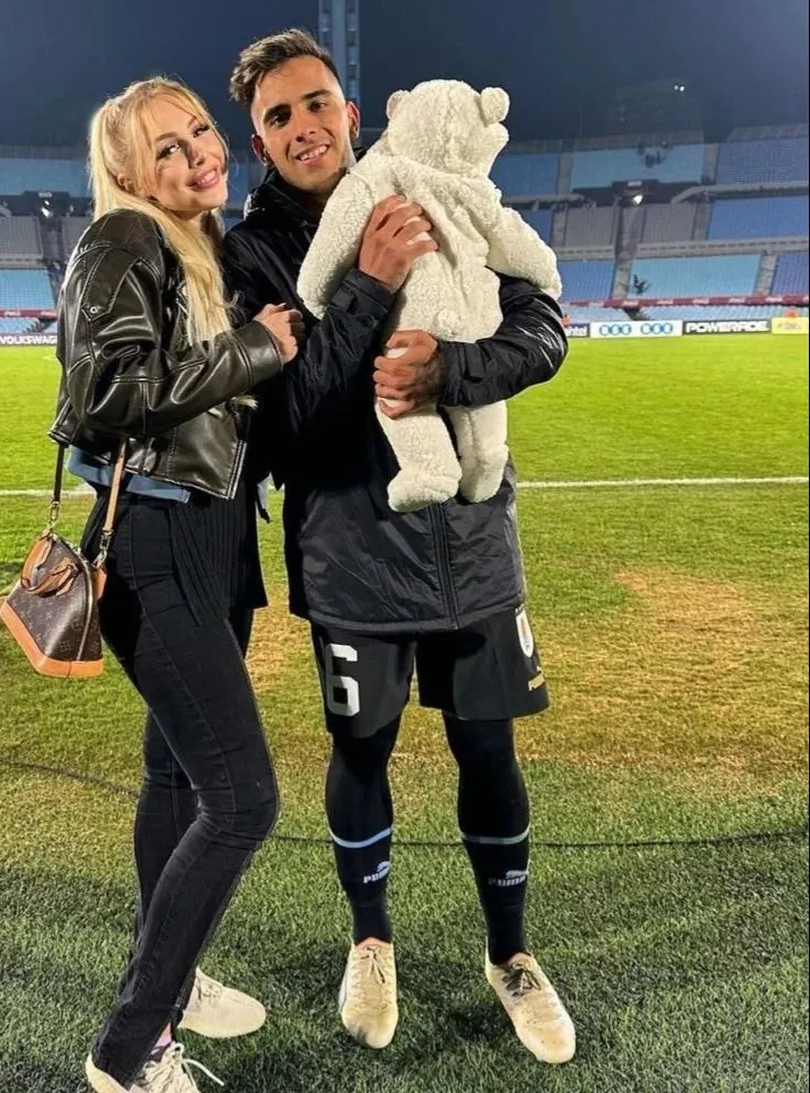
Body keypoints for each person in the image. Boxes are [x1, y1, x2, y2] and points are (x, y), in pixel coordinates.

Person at [221, 29, 577, 1065]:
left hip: (470, 539)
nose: (303, 127)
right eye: (278, 116)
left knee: (488, 748)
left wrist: (456, 371)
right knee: (360, 750)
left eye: (315, 102)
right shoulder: (253, 255)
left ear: (352, 108)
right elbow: (287, 427)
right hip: (348, 550)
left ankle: (508, 955)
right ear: (260, 141)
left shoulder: (445, 182)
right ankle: (369, 939)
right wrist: (369, 285)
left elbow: (546, 325)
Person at [50, 76, 304, 1093]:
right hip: (153, 540)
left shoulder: (188, 245)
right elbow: (103, 390)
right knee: (243, 799)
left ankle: (175, 977)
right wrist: (257, 348)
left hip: (207, 535)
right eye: (164, 148)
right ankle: (127, 1047)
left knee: (175, 777)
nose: (196, 150)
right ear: (125, 173)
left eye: (198, 130)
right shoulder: (125, 241)